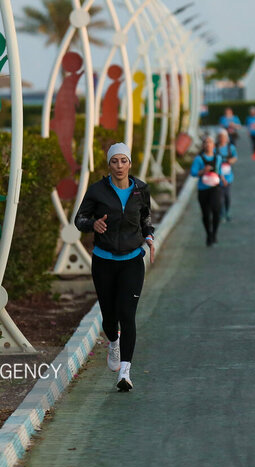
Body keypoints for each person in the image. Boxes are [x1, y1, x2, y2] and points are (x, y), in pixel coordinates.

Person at [75, 143, 155, 392]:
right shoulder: (97, 191)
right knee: (110, 316)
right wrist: (93, 225)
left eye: (123, 161)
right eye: (114, 161)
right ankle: (113, 341)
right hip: (104, 261)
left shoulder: (141, 189)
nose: (119, 166)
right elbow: (80, 219)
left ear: (130, 163)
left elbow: (145, 219)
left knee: (127, 315)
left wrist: (150, 237)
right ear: (108, 165)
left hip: (132, 260)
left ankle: (125, 372)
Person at [190, 134, 226, 246]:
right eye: (205, 142)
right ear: (203, 145)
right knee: (206, 214)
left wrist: (223, 178)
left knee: (216, 210)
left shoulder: (218, 158)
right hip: (203, 189)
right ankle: (208, 234)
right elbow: (193, 173)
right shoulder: (199, 159)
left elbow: (219, 171)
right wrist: (203, 171)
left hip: (215, 188)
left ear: (214, 145)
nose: (207, 144)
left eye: (210, 142)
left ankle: (214, 233)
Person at [216, 128, 237, 221]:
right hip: (217, 175)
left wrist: (230, 161)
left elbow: (235, 157)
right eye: (220, 137)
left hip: (228, 176)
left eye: (224, 137)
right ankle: (220, 213)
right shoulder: (215, 148)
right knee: (219, 197)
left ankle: (227, 212)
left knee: (227, 195)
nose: (222, 138)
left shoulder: (230, 148)